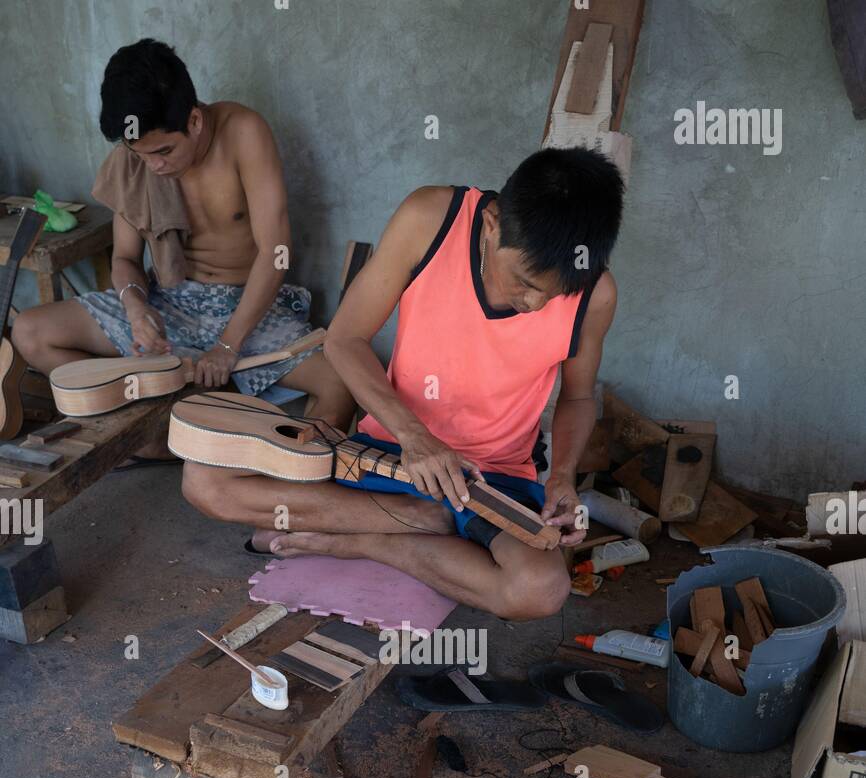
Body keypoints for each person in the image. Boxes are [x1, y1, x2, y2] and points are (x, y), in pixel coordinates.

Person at [183, 147, 624, 621]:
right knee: (205, 481)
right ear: (492, 222)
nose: (535, 303)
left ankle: (365, 543)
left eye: (553, 292)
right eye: (524, 280)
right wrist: (414, 437)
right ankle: (422, 521)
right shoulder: (431, 219)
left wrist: (562, 478)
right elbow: (345, 339)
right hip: (385, 455)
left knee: (538, 590)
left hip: (486, 483)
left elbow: (578, 396)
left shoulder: (595, 294)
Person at [12, 38, 352, 426]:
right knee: (31, 331)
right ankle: (156, 424)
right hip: (168, 305)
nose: (153, 166)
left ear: (194, 120)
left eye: (164, 152)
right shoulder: (134, 157)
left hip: (248, 311)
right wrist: (136, 308)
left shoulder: (243, 133)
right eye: (141, 154)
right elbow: (124, 259)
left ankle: (187, 424)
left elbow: (276, 254)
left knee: (341, 381)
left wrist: (227, 347)